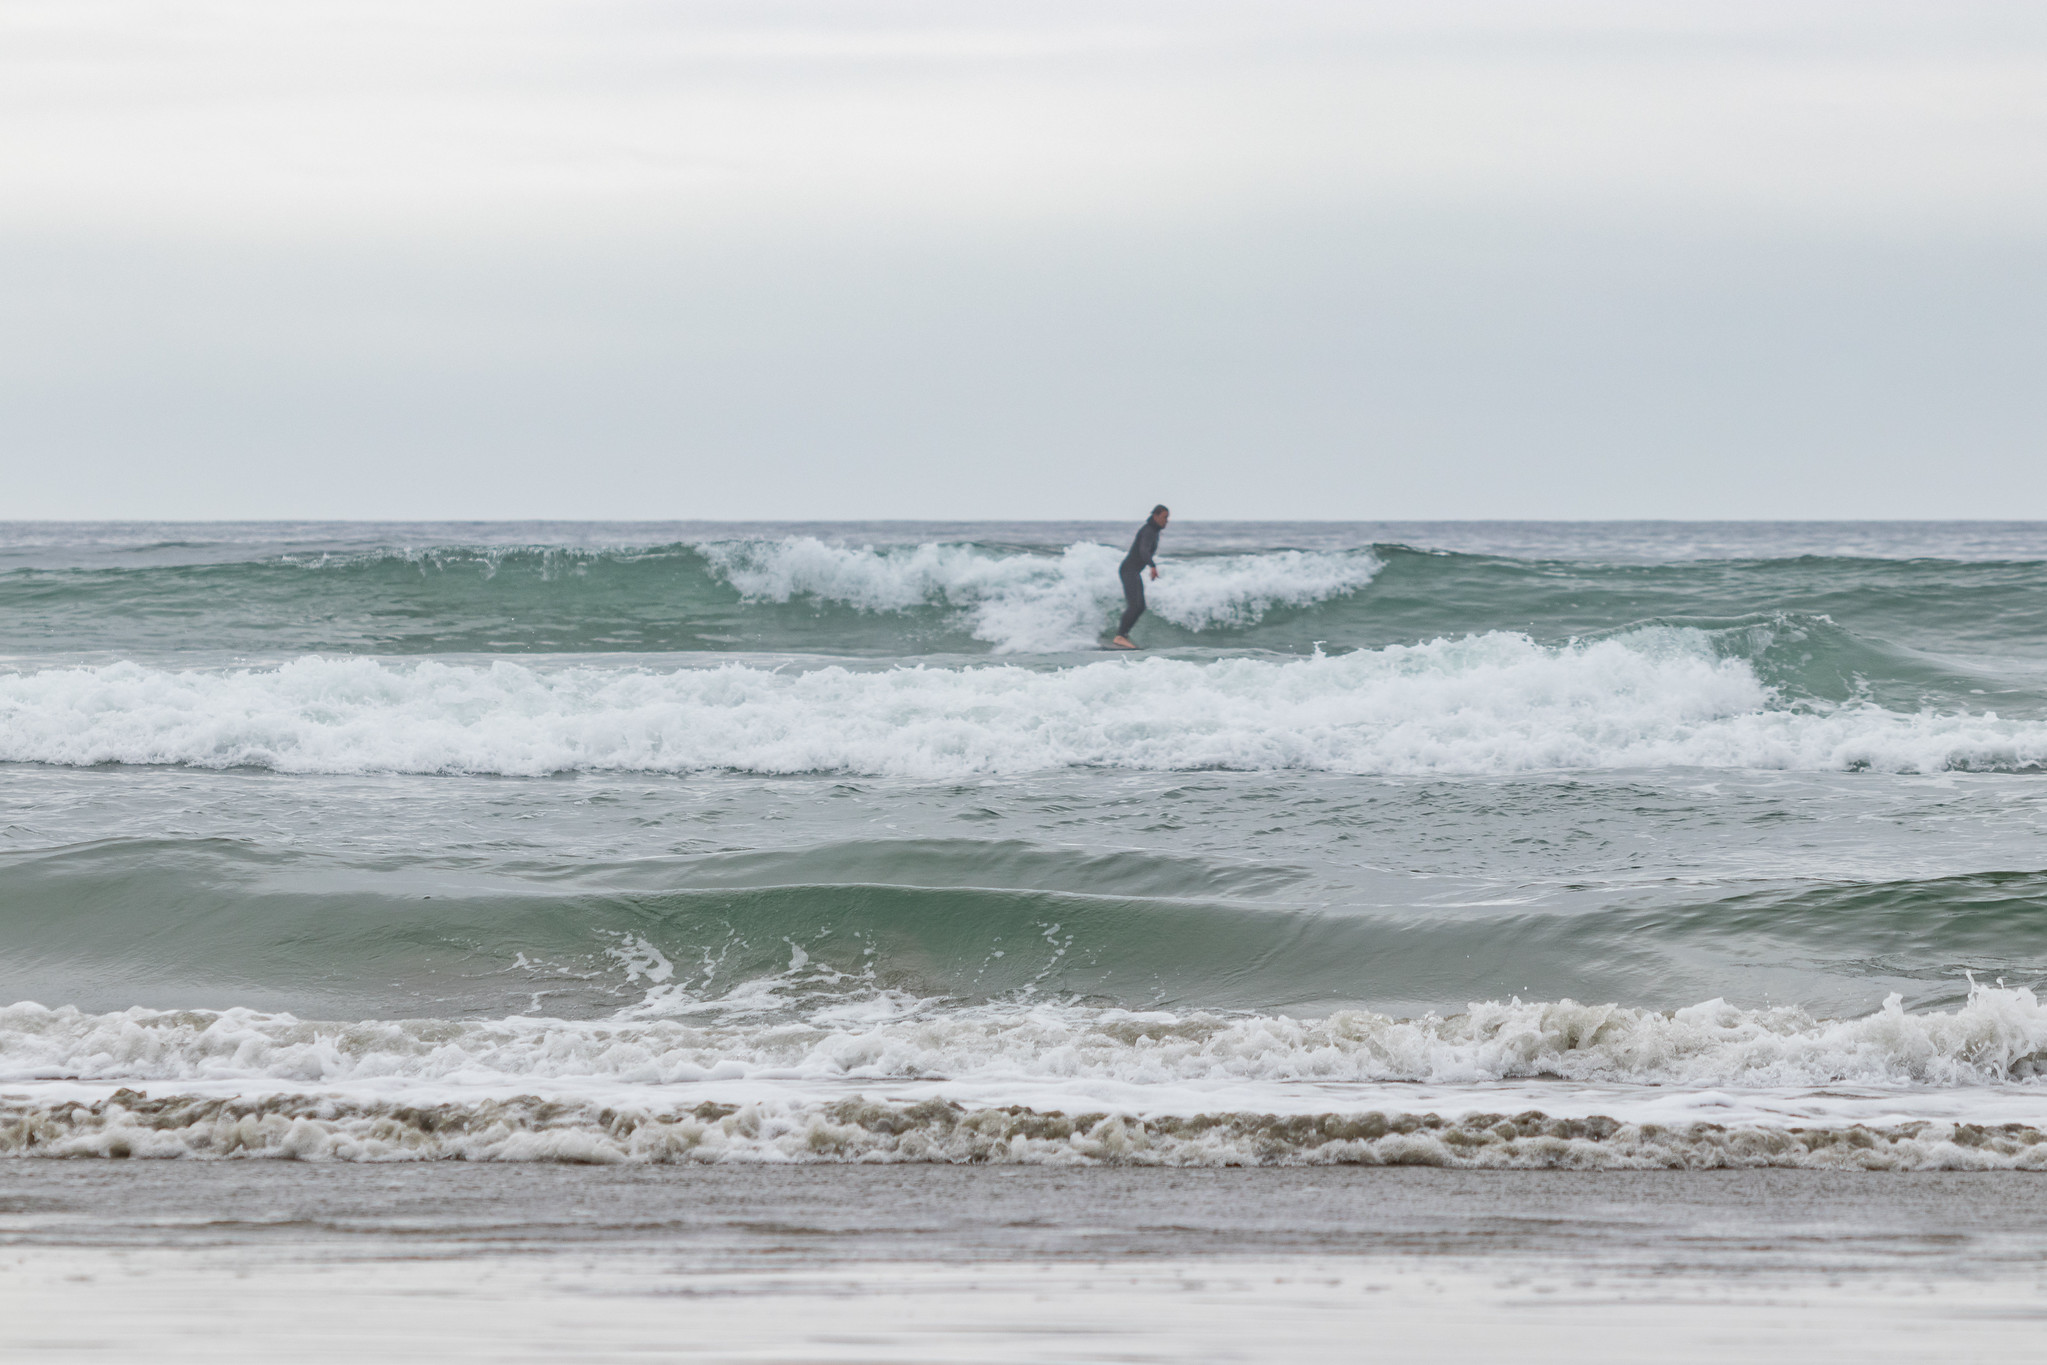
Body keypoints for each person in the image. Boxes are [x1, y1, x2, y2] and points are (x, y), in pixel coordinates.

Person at [1110, 505, 1169, 648]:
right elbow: (1143, 550)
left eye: (1167, 518)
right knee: (1135, 605)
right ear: (1155, 516)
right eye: (1164, 517)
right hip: (1128, 570)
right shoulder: (1148, 531)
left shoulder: (1153, 531)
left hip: (1133, 571)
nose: (1166, 521)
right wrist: (1152, 565)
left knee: (1140, 606)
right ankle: (1120, 636)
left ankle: (1123, 635)